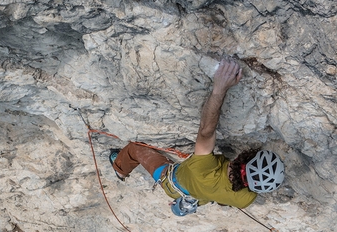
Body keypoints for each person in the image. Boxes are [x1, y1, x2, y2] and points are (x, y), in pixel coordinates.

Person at [109, 58, 285, 216]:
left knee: (135, 149)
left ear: (243, 157)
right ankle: (189, 201)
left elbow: (206, 131)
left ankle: (120, 169)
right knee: (203, 193)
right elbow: (225, 200)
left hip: (172, 183)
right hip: (200, 195)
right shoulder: (246, 199)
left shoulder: (206, 169)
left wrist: (219, 89)